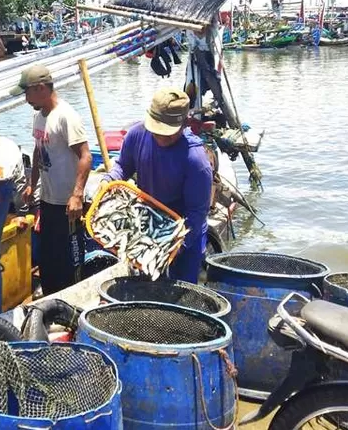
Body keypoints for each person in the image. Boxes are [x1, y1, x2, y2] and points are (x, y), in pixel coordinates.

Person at [103, 88, 212, 284]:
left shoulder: (196, 161)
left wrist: (176, 246)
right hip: (146, 223)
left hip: (185, 230)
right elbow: (123, 166)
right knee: (147, 287)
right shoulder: (136, 134)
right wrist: (108, 180)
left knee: (182, 293)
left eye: (168, 133)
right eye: (157, 131)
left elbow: (197, 212)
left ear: (184, 124)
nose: (161, 137)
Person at [11, 65, 92, 295]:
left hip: (68, 206)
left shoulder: (66, 117)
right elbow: (38, 151)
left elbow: (86, 156)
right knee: (48, 258)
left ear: (41, 89)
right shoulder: (38, 116)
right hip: (47, 201)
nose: (26, 98)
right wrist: (31, 183)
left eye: (27, 92)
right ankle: (48, 303)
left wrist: (77, 196)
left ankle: (73, 304)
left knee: (70, 262)